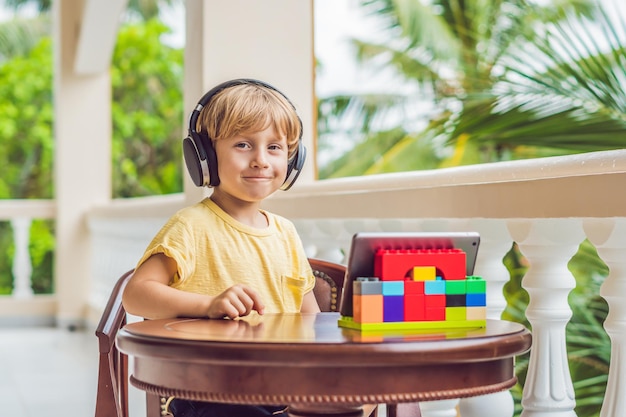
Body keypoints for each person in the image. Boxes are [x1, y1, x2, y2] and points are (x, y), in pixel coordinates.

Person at [122, 78, 320, 417]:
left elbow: (311, 319)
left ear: (292, 158)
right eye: (243, 145)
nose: (261, 160)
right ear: (206, 157)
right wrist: (208, 305)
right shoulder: (191, 226)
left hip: (279, 387)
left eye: (275, 148)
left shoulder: (286, 233)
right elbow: (136, 294)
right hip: (208, 388)